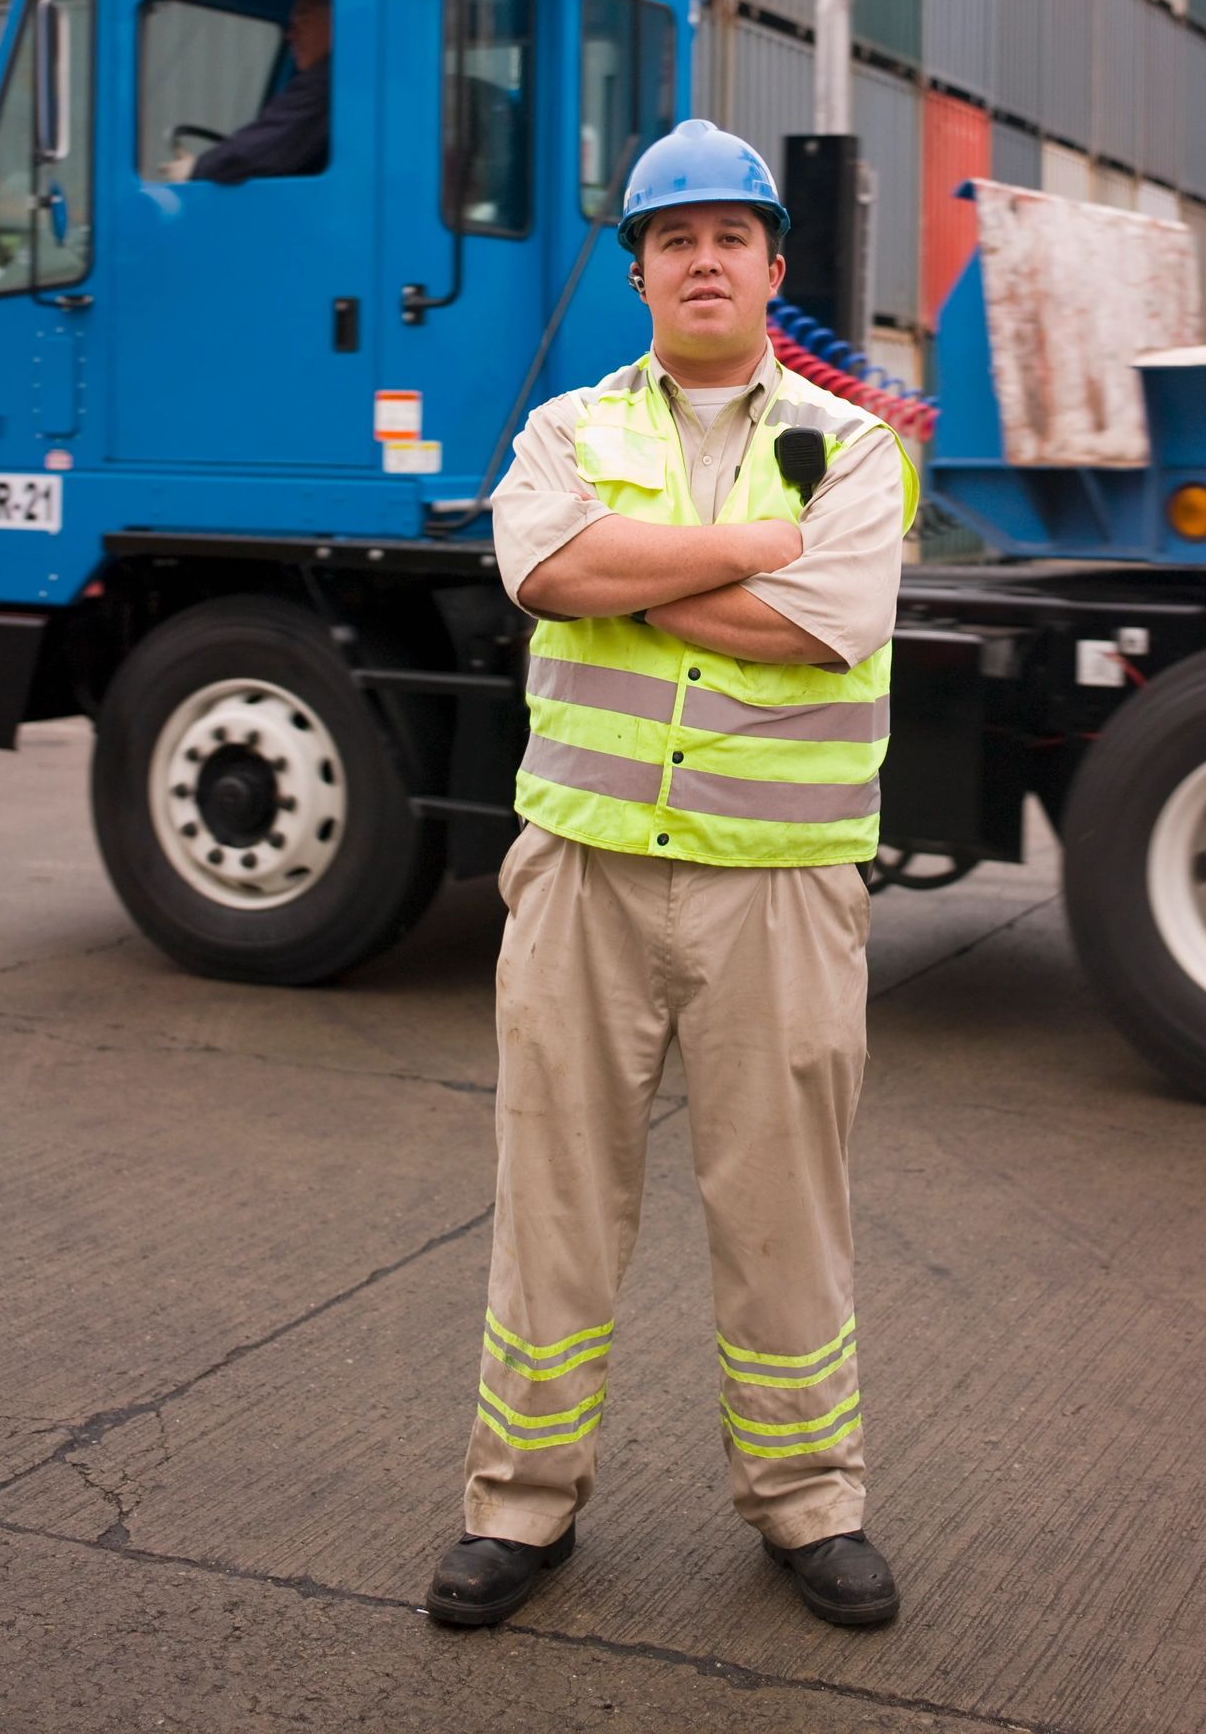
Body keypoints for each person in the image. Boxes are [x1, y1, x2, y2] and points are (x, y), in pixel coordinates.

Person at [425, 120, 918, 1637]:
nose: (702, 258)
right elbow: (546, 572)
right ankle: (520, 1508)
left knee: (785, 1210)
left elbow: (821, 619)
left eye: (730, 236)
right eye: (672, 236)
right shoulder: (568, 429)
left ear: (775, 266)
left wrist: (644, 583)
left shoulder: (852, 450)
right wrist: (742, 551)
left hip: (778, 887)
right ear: (637, 268)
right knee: (553, 1199)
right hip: (579, 875)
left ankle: (807, 1503)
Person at [161, 0, 332, 183]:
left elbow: (262, 147)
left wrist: (196, 169)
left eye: (303, 21)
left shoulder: (327, 81)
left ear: (337, 22)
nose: (291, 35)